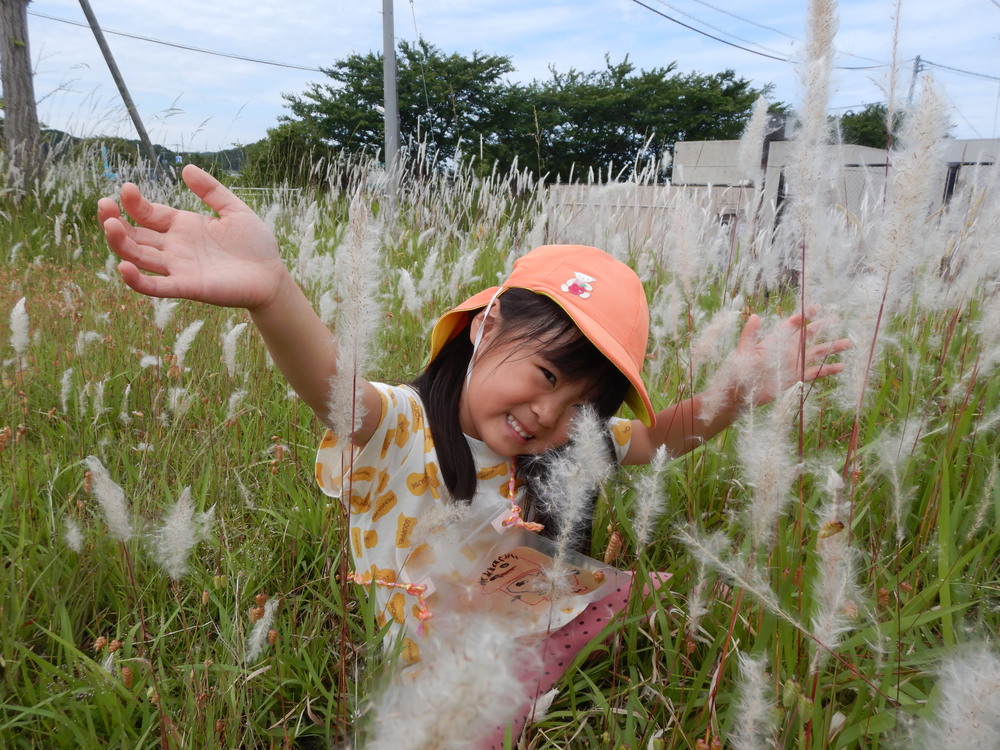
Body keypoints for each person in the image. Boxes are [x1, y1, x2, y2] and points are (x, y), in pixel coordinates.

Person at [99, 165, 849, 747]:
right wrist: (273, 294)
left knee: (600, 598)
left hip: (513, 604)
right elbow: (334, 384)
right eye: (546, 376)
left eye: (580, 408)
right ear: (488, 325)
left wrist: (737, 393)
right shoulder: (401, 424)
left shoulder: (558, 447)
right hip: (434, 651)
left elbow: (655, 436)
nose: (548, 414)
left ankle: (583, 621)